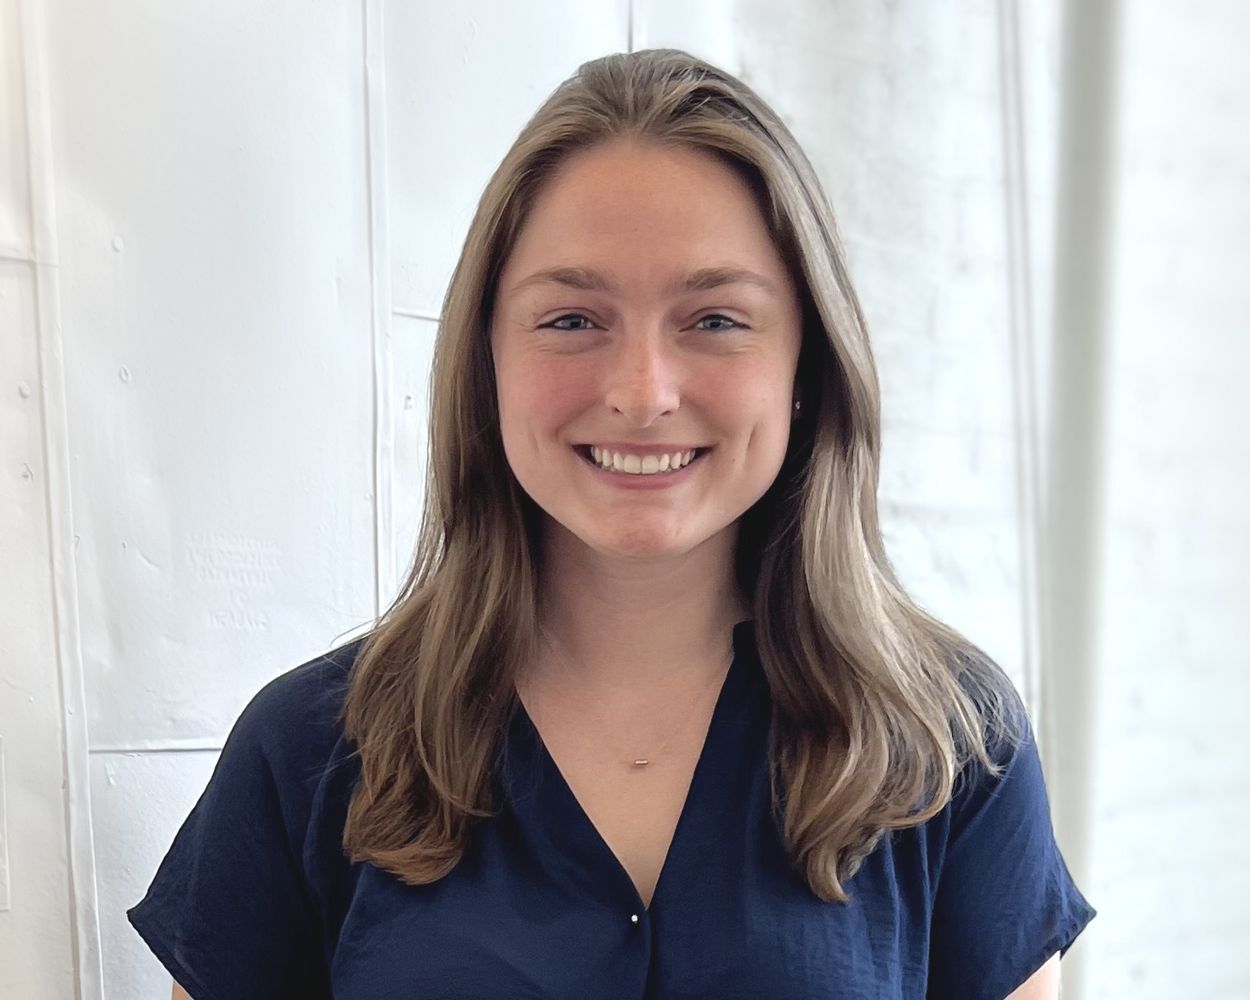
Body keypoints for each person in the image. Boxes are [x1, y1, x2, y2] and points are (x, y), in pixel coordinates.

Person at [128, 48, 1095, 999]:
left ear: (806, 365)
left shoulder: (952, 742)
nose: (641, 394)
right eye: (572, 320)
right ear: (487, 361)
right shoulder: (308, 751)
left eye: (715, 319)